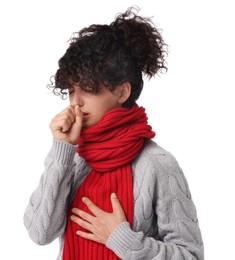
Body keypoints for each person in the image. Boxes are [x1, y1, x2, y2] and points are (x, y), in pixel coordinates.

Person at [23, 7, 204, 260]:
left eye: (87, 89)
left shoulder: (158, 165)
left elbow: (191, 256)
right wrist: (61, 148)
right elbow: (39, 233)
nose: (76, 103)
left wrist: (122, 239)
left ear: (122, 92)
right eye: (71, 91)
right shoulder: (74, 159)